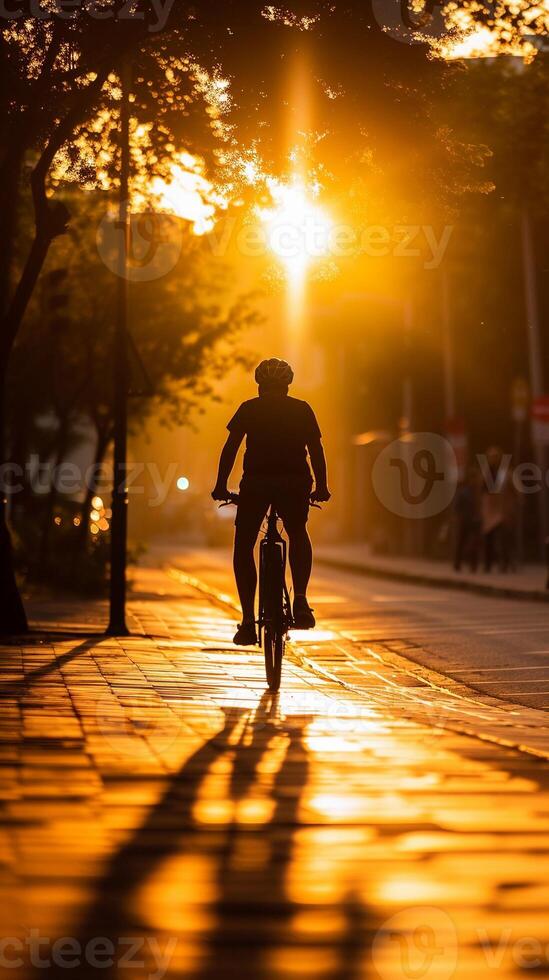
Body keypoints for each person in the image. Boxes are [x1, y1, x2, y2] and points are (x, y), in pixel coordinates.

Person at [212, 358, 331, 646]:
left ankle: (249, 622)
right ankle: (300, 600)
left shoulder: (249, 408)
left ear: (259, 385)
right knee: (298, 531)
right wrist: (323, 486)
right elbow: (316, 449)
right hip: (295, 483)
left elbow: (231, 447)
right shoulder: (302, 409)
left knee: (244, 544)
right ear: (288, 385)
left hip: (257, 484)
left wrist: (220, 485)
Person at [453, 467, 481, 572]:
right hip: (464, 521)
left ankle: (473, 566)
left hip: (475, 521)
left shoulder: (478, 492)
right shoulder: (464, 492)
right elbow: (457, 507)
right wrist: (459, 518)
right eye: (473, 478)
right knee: (461, 542)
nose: (475, 481)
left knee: (475, 544)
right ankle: (457, 564)